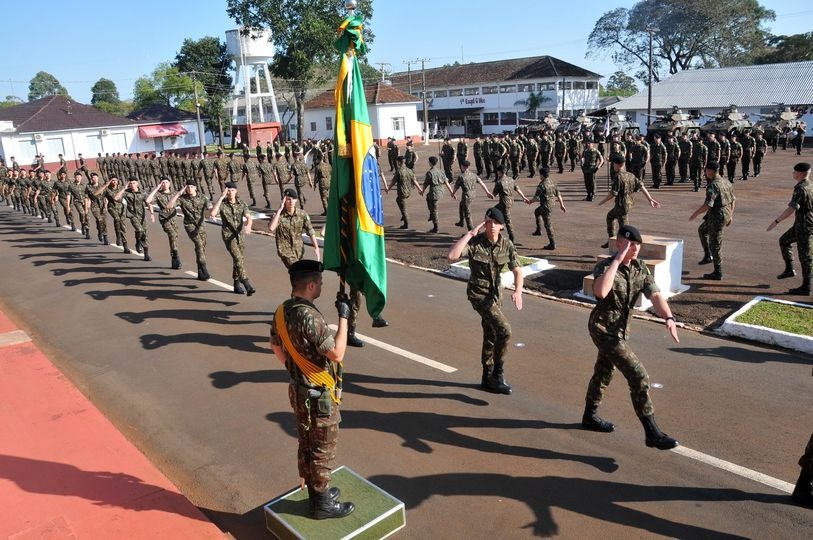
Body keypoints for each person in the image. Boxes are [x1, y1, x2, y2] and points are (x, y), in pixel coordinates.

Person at [580, 224, 680, 450]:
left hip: (619, 331)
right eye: (629, 244)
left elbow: (655, 295)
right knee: (638, 375)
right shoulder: (605, 266)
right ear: (618, 243)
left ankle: (589, 415)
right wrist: (617, 260)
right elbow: (600, 292)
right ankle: (652, 432)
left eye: (637, 245)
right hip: (602, 329)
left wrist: (669, 318)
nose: (634, 249)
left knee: (604, 371)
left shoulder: (640, 268)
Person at [269, 259, 355, 519]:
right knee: (322, 449)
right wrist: (344, 317)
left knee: (307, 443)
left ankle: (318, 493)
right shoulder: (310, 316)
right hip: (318, 395)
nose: (321, 286)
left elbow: (275, 346)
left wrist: (297, 371)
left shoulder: (282, 311)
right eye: (319, 283)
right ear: (309, 285)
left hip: (299, 390)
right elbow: (337, 353)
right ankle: (322, 505)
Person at [448, 207, 523, 395]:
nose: (491, 226)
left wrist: (519, 291)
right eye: (488, 222)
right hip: (478, 295)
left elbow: (517, 270)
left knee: (490, 334)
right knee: (504, 330)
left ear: (502, 227)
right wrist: (471, 233)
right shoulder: (475, 243)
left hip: (496, 296)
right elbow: (452, 255)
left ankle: (486, 377)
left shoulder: (507, 245)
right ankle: (497, 375)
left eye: (496, 223)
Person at [767, 162, 812, 296]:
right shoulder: (811, 185)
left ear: (800, 174)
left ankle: (806, 286)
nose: (793, 174)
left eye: (794, 172)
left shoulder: (801, 188)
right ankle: (789, 269)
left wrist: (776, 221)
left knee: (806, 257)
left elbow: (792, 208)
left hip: (804, 226)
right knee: (784, 241)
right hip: (804, 223)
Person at [598, 154, 661, 248]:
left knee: (625, 229)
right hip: (629, 203)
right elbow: (641, 185)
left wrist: (602, 202)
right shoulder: (630, 175)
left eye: (613, 164)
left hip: (621, 206)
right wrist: (650, 199)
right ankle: (612, 240)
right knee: (610, 217)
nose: (613, 166)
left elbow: (613, 193)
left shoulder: (618, 177)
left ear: (617, 164)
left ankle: (625, 247)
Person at [690, 162, 736, 280]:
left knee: (715, 244)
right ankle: (707, 256)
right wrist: (730, 215)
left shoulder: (713, 185)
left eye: (706, 171)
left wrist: (695, 213)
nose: (705, 173)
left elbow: (708, 205)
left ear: (710, 171)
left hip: (717, 217)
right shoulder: (726, 182)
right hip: (725, 213)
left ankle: (718, 272)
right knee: (702, 230)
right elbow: (733, 200)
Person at [210, 181, 255, 295]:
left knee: (238, 259)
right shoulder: (223, 204)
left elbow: (249, 217)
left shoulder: (242, 203)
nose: (230, 192)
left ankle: (236, 283)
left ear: (236, 191)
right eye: (228, 190)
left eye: (232, 190)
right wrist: (221, 197)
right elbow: (213, 213)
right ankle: (246, 283)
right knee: (238, 258)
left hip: (240, 235)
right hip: (228, 236)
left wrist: (248, 226)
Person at [170, 178, 213, 281]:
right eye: (187, 187)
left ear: (195, 188)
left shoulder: (203, 197)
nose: (189, 189)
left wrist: (213, 214)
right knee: (198, 244)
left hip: (201, 226)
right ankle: (204, 269)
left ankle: (199, 272)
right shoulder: (182, 199)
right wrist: (178, 193)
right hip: (190, 226)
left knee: (201, 248)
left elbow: (210, 207)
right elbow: (169, 206)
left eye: (191, 187)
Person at [269, 188, 321, 269]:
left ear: (296, 200)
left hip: (299, 251)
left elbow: (311, 231)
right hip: (286, 252)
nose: (291, 202)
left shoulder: (302, 214)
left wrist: (316, 248)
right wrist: (279, 210)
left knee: (303, 274)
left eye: (293, 199)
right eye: (288, 199)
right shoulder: (279, 216)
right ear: (284, 201)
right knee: (298, 271)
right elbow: (271, 228)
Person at [527, 166, 566, 250]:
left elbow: (536, 198)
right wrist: (561, 205)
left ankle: (552, 244)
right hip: (551, 204)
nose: (539, 176)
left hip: (545, 206)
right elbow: (558, 194)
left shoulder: (541, 185)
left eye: (540, 175)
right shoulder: (552, 183)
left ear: (542, 175)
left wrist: (529, 201)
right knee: (537, 212)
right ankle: (538, 230)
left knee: (548, 225)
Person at [116, 177, 154, 261]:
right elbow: (116, 198)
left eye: (133, 183)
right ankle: (137, 242)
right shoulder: (126, 193)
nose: (132, 185)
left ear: (137, 183)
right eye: (130, 183)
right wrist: (124, 188)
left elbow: (148, 202)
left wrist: (151, 213)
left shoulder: (143, 193)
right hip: (132, 215)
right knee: (139, 230)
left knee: (145, 235)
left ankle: (146, 255)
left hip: (142, 216)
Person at [146, 177, 180, 269]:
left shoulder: (174, 194)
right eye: (162, 182)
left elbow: (182, 203)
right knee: (172, 234)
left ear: (169, 183)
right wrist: (156, 189)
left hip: (173, 219)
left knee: (173, 237)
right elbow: (148, 201)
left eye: (166, 182)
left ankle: (173, 257)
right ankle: (176, 256)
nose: (164, 184)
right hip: (164, 219)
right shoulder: (158, 195)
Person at [452, 160, 494, 230]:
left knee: (467, 213)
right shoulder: (474, 175)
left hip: (466, 195)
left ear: (462, 166)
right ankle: (461, 221)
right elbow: (481, 183)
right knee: (461, 205)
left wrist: (453, 193)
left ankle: (471, 231)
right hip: (473, 194)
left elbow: (456, 187)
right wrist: (487, 192)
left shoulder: (461, 177)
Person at [491, 165, 529, 242]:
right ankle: (501, 225)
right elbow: (517, 189)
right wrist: (523, 197)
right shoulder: (511, 179)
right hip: (511, 201)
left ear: (499, 172)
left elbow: (494, 195)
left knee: (507, 219)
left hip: (504, 202)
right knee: (495, 211)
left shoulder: (499, 182)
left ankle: (511, 236)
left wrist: (489, 194)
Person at [387, 155, 423, 229]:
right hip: (408, 191)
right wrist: (420, 189)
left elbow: (393, 181)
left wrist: (388, 188)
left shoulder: (399, 171)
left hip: (402, 192)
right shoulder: (409, 170)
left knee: (403, 209)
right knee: (398, 200)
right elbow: (414, 180)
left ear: (399, 162)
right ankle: (403, 216)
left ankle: (406, 224)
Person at [423, 156, 455, 233]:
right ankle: (431, 214)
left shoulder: (429, 173)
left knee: (434, 210)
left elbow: (425, 184)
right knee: (428, 198)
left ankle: (435, 227)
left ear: (430, 163)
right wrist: (452, 192)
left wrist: (422, 191)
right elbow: (446, 182)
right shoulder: (441, 171)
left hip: (434, 192)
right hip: (440, 191)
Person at [84, 173, 108, 244]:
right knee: (99, 219)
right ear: (91, 179)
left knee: (104, 222)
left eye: (96, 177)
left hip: (102, 206)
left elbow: (106, 195)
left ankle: (105, 237)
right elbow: (86, 197)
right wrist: (86, 207)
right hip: (95, 205)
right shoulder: (88, 187)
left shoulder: (102, 186)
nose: (94, 179)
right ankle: (100, 232)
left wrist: (106, 203)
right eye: (93, 178)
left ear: (98, 178)